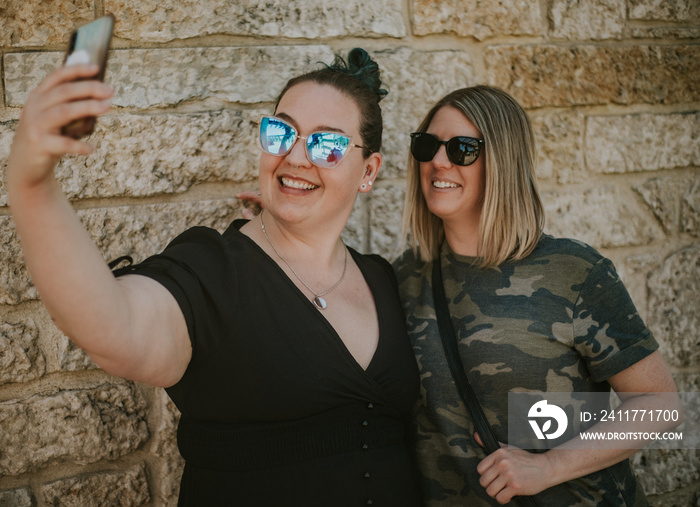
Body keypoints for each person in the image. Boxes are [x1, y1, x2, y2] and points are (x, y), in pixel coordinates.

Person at [6, 47, 422, 506]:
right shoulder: (215, 268)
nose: (297, 156)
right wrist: (33, 182)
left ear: (368, 170)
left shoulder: (384, 279)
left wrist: (521, 439)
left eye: (328, 144)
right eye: (282, 131)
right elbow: (115, 327)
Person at [393, 85, 680, 506]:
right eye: (427, 145)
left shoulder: (574, 272)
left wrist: (549, 467)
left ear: (503, 162)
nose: (438, 161)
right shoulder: (403, 278)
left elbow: (660, 405)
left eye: (462, 149)